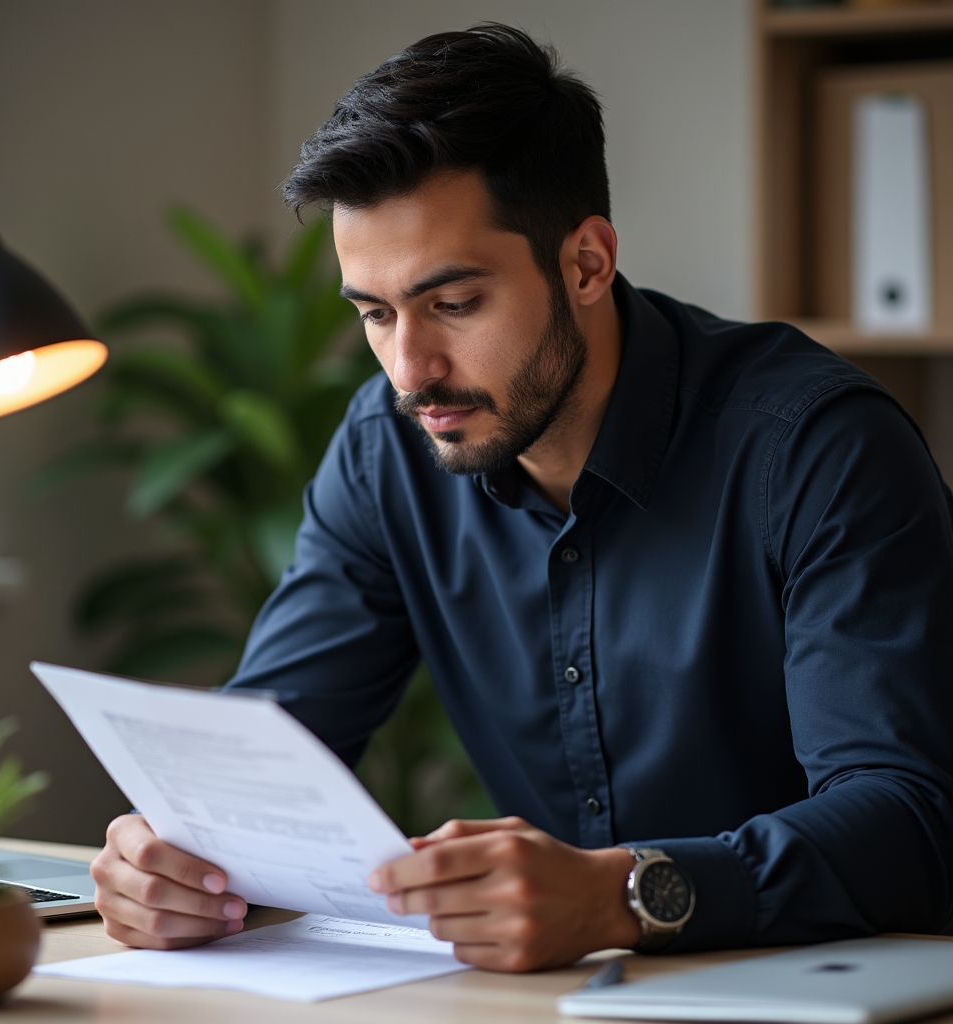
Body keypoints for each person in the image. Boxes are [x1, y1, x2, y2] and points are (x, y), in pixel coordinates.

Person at [89, 24, 953, 970]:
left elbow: (908, 818)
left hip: (836, 986)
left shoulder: (818, 448)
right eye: (376, 315)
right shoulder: (388, 451)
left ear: (586, 262)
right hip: (555, 997)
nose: (410, 370)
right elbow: (263, 764)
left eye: (454, 304)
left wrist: (629, 895)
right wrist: (176, 858)